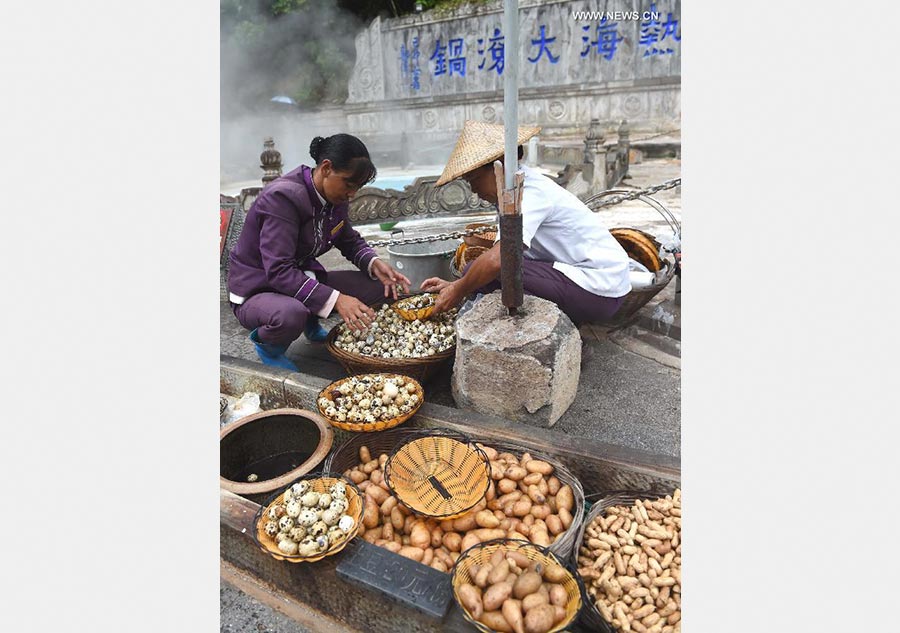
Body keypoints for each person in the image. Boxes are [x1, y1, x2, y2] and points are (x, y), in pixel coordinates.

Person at [228, 133, 411, 371]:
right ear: (326, 168)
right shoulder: (282, 198)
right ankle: (268, 346)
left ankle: (310, 318)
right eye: (349, 184)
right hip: (258, 288)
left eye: (358, 187)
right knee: (290, 314)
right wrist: (337, 300)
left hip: (301, 278)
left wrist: (374, 262)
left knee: (381, 288)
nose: (352, 194)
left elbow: (348, 240)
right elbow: (279, 271)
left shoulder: (335, 198)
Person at [421, 120, 631, 325]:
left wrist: (458, 290)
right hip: (588, 282)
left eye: (474, 180)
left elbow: (499, 259)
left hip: (600, 289)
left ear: (499, 165)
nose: (474, 190)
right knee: (475, 275)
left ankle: (551, 328)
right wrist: (456, 285)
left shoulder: (531, 194)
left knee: (482, 272)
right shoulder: (510, 193)